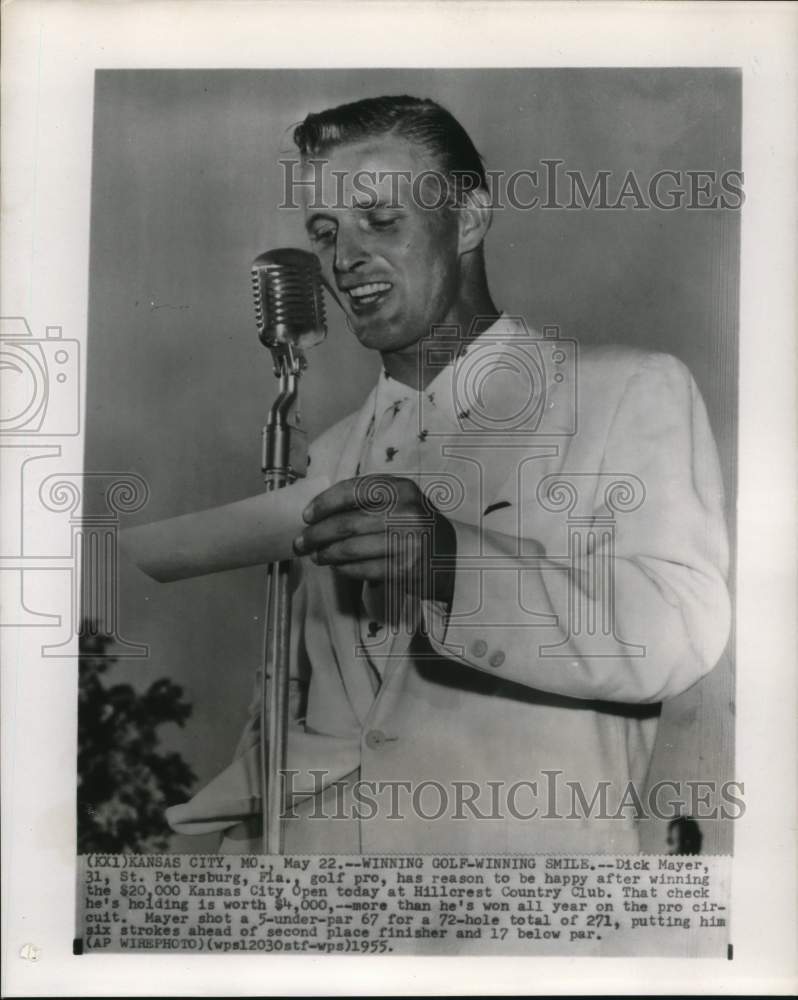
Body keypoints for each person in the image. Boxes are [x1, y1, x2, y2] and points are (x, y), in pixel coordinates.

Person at [166, 95, 731, 854]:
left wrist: (450, 564)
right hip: (332, 923)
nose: (343, 258)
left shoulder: (628, 390)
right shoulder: (328, 452)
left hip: (527, 925)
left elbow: (682, 634)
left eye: (381, 221)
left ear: (467, 220)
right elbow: (291, 702)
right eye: (326, 232)